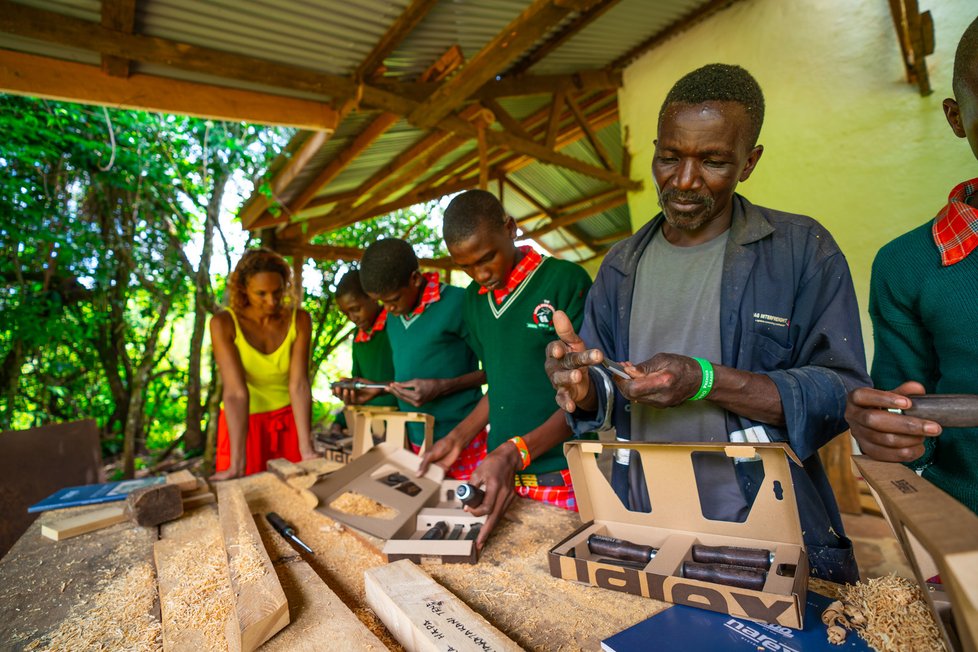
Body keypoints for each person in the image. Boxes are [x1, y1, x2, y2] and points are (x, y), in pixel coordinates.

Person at [546, 63, 868, 583]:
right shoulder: (620, 266)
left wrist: (707, 381)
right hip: (643, 518)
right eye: (669, 157)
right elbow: (601, 393)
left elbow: (842, 393)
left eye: (713, 161)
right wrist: (581, 386)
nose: (685, 180)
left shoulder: (800, 251)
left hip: (765, 526)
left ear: (749, 162)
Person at [846, 16, 978, 515]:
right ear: (956, 116)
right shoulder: (908, 265)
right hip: (966, 537)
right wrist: (891, 436)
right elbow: (908, 429)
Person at [418, 189, 592, 547]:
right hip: (503, 474)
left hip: (562, 473)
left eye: (487, 258)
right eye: (465, 266)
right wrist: (458, 437)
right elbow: (500, 385)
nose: (480, 274)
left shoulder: (564, 281)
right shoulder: (473, 301)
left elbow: (589, 396)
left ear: (511, 228)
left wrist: (516, 451)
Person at [359, 238, 487, 479]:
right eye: (382, 302)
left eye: (394, 299)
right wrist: (379, 389)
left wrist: (443, 387)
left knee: (464, 510)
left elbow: (496, 371)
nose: (388, 309)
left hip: (462, 436)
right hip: (415, 438)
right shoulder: (394, 318)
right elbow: (406, 375)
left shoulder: (458, 303)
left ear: (415, 279)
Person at [210, 248, 316, 480]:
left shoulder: (300, 319)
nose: (272, 301)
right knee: (245, 494)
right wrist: (237, 464)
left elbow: (298, 384)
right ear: (243, 290)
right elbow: (236, 393)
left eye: (277, 292)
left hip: (289, 421)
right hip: (244, 423)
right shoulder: (223, 323)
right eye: (261, 293)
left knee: (299, 493)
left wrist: (306, 448)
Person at [329, 269, 399, 434]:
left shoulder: (395, 324)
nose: (352, 318)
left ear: (372, 297)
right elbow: (358, 385)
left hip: (402, 420)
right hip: (372, 424)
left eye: (355, 309)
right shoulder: (359, 338)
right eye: (346, 313)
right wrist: (340, 420)